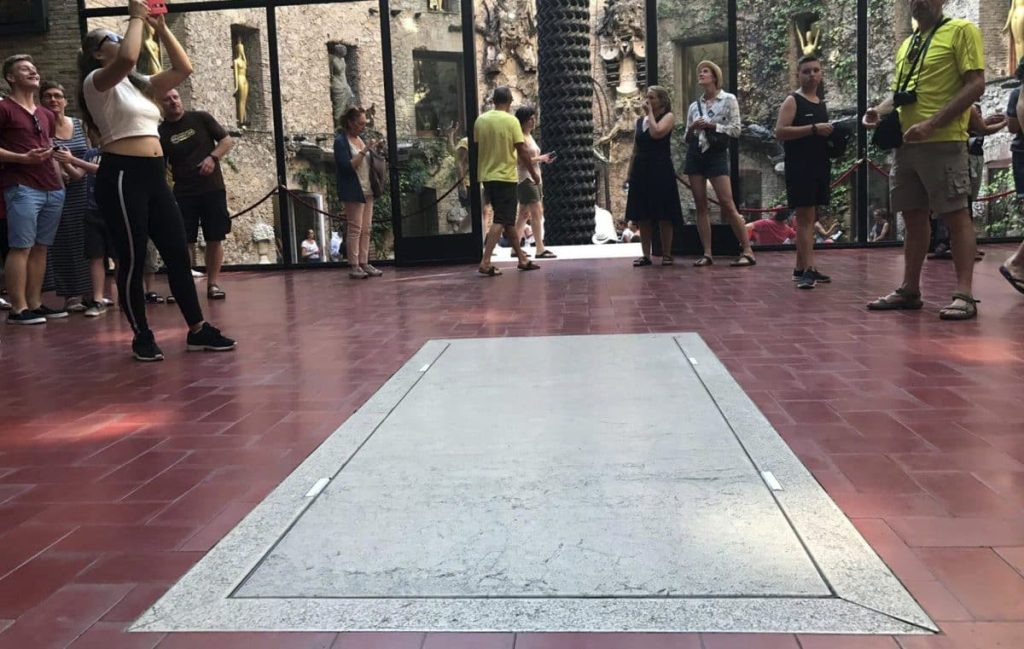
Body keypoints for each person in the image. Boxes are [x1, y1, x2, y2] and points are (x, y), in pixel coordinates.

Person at [79, 0, 236, 360]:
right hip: (122, 174)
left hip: (153, 177)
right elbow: (128, 58)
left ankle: (198, 329)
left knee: (178, 254)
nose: (119, 38)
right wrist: (135, 17)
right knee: (133, 258)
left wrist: (162, 29)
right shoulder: (97, 82)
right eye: (110, 37)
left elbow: (184, 68)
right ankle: (142, 334)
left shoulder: (140, 85)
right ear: (97, 53)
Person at [862, 0, 984, 320]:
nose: (918, 2)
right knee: (913, 216)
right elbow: (903, 93)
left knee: (955, 215)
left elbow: (976, 84)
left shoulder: (961, 30)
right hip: (906, 144)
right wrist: (879, 111)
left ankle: (964, 295)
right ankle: (909, 289)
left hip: (944, 141)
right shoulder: (909, 43)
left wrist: (933, 123)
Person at [0, 54, 68, 325]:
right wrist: (22, 158)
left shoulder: (46, 114)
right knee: (21, 247)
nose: (33, 72)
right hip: (22, 186)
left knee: (41, 247)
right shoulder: (4, 108)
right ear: (10, 77)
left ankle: (35, 303)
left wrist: (59, 178)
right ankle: (18, 309)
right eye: (24, 69)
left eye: (34, 68)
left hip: (52, 186)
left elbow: (48, 144)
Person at [158, 89, 234, 299]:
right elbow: (161, 166)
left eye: (175, 97)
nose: (173, 102)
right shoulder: (161, 133)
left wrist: (212, 158)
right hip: (184, 192)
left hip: (212, 188)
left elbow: (226, 141)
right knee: (184, 240)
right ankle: (184, 287)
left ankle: (213, 284)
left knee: (215, 237)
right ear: (160, 104)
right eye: (167, 99)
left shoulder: (201, 118)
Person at [684, 61, 756, 267]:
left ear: (715, 76)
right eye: (699, 72)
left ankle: (748, 250)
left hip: (716, 154)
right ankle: (707, 253)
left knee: (727, 203)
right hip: (695, 153)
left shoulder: (728, 99)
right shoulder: (694, 106)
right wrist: (693, 127)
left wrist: (712, 126)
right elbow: (686, 138)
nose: (701, 74)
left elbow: (736, 129)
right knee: (700, 205)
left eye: (705, 71)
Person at [773, 54, 833, 289]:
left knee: (810, 217)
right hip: (800, 166)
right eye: (806, 71)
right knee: (805, 218)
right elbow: (780, 131)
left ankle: (802, 267)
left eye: (816, 70)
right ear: (798, 75)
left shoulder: (821, 103)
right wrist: (813, 128)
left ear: (821, 73)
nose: (812, 75)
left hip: (819, 163)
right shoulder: (792, 100)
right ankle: (808, 269)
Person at [474, 85, 540, 276]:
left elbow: (477, 148)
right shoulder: (511, 121)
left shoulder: (480, 121)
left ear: (493, 101)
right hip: (505, 177)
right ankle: (486, 262)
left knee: (508, 220)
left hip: (487, 177)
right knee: (501, 219)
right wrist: (534, 174)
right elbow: (522, 151)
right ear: (510, 102)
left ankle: (522, 259)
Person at [40, 81, 94, 312]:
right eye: (48, 96)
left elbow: (88, 154)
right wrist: (62, 173)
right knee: (65, 243)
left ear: (65, 100)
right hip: (56, 190)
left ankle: (93, 293)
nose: (53, 100)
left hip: (82, 190)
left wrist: (74, 168)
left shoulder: (79, 125)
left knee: (87, 241)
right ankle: (72, 294)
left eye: (57, 96)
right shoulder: (41, 127)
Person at [625, 85, 682, 266]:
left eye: (652, 97)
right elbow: (635, 149)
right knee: (643, 214)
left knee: (664, 213)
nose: (648, 100)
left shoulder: (668, 117)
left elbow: (656, 133)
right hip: (641, 170)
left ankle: (666, 254)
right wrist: (629, 173)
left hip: (660, 168)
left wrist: (649, 113)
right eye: (647, 97)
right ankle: (645, 255)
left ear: (661, 101)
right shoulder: (640, 121)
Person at [334, 106, 382, 279]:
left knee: (366, 228)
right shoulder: (341, 141)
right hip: (353, 189)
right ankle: (354, 265)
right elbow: (347, 167)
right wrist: (364, 150)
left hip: (367, 189)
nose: (363, 127)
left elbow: (367, 163)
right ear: (350, 122)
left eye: (364, 123)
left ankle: (364, 262)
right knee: (355, 228)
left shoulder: (359, 139)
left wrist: (374, 150)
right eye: (360, 123)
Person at [513, 106, 556, 259]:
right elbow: (520, 161)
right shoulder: (520, 137)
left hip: (534, 177)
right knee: (536, 212)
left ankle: (515, 248)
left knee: (523, 214)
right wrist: (541, 158)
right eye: (530, 118)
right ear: (523, 120)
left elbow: (531, 159)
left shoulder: (529, 136)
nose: (533, 121)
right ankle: (540, 248)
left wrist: (543, 159)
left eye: (533, 118)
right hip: (526, 178)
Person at [1002, 71, 1024, 296]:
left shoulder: (1017, 92)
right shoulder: (1020, 94)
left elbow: (1012, 127)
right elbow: (1014, 127)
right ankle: (1016, 263)